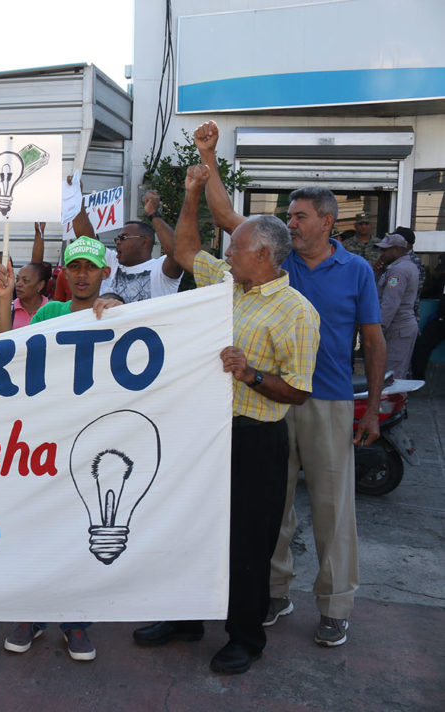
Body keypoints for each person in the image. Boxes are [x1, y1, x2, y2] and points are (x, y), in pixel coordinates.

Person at [194, 119, 386, 647]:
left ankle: (335, 604)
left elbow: (373, 341)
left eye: (300, 216)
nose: (291, 223)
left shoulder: (356, 271)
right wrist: (208, 157)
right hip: (264, 404)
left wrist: (368, 410)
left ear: (327, 221)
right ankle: (275, 592)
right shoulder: (276, 264)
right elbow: (225, 215)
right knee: (270, 508)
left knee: (331, 506)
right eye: (289, 217)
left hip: (325, 402)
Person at [132, 165, 320, 674]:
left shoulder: (296, 312)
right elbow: (186, 251)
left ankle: (245, 636)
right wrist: (191, 193)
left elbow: (300, 390)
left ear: (262, 255)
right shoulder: (228, 285)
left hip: (256, 439)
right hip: (204, 432)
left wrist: (252, 374)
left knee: (249, 539)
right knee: (190, 527)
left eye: (235, 247)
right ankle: (185, 618)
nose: (227, 254)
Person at [0, 235, 119, 662]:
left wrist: (121, 310)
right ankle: (31, 614)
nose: (83, 275)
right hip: (46, 438)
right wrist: (4, 297)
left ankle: (76, 620)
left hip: (95, 443)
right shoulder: (49, 312)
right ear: (65, 274)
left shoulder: (121, 314)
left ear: (105, 272)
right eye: (76, 267)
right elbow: (8, 349)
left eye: (91, 268)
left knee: (78, 530)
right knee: (38, 527)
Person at [98, 192, 183, 303]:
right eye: (117, 239)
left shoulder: (160, 270)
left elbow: (177, 253)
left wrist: (153, 214)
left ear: (144, 241)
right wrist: (75, 196)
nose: (118, 242)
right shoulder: (112, 262)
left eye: (123, 237)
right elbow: (87, 238)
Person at [374, 233, 420, 377]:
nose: (383, 254)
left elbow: (390, 304)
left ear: (396, 249)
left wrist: (377, 329)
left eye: (385, 250)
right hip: (399, 327)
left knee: (392, 375)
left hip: (398, 328)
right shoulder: (399, 267)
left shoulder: (398, 270)